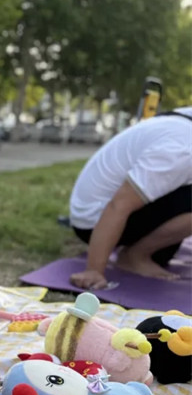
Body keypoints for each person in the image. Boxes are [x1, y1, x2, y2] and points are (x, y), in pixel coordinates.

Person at [69, 108, 192, 290]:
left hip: (108, 211)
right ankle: (134, 257)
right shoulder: (182, 149)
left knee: (161, 258)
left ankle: (140, 253)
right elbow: (119, 204)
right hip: (94, 221)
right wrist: (94, 269)